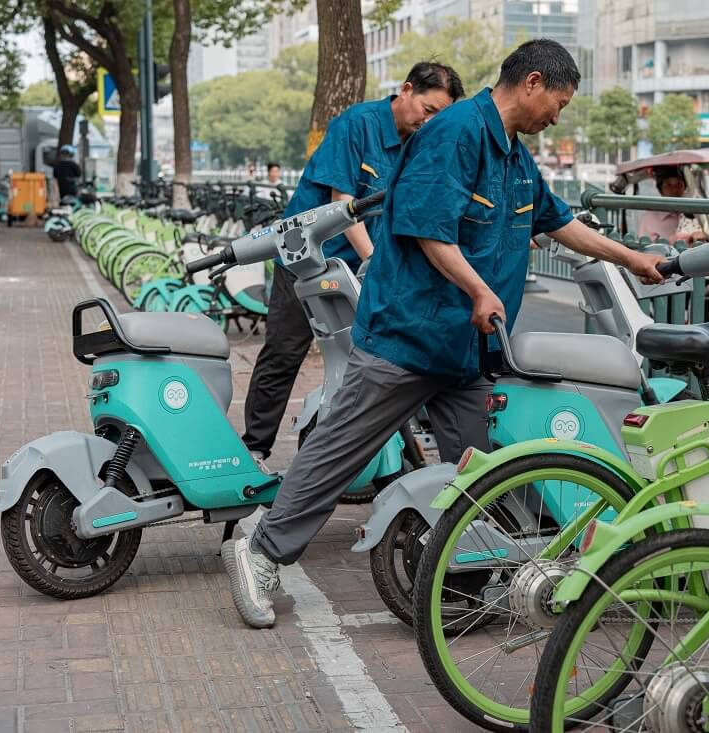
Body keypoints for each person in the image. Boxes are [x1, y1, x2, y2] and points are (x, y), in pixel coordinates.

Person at [222, 39, 667, 629]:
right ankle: (259, 553)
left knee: (479, 470)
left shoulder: (513, 154)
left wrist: (631, 259)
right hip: (411, 335)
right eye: (557, 103)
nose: (557, 117)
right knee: (338, 451)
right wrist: (480, 290)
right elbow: (429, 231)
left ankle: (468, 576)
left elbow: (558, 222)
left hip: (467, 351)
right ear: (532, 83)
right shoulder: (453, 133)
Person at [241, 62, 464, 465]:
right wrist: (377, 262)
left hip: (360, 270)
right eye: (429, 110)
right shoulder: (355, 124)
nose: (431, 121)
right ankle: (255, 448)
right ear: (406, 89)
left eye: (440, 116)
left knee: (378, 359)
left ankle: (395, 461)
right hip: (307, 259)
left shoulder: (421, 141)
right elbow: (341, 202)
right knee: (284, 351)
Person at [637, 166, 709, 246]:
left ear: (684, 187)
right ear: (660, 190)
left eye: (678, 184)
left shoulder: (697, 212)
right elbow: (645, 249)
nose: (674, 189)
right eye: (668, 185)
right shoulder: (649, 219)